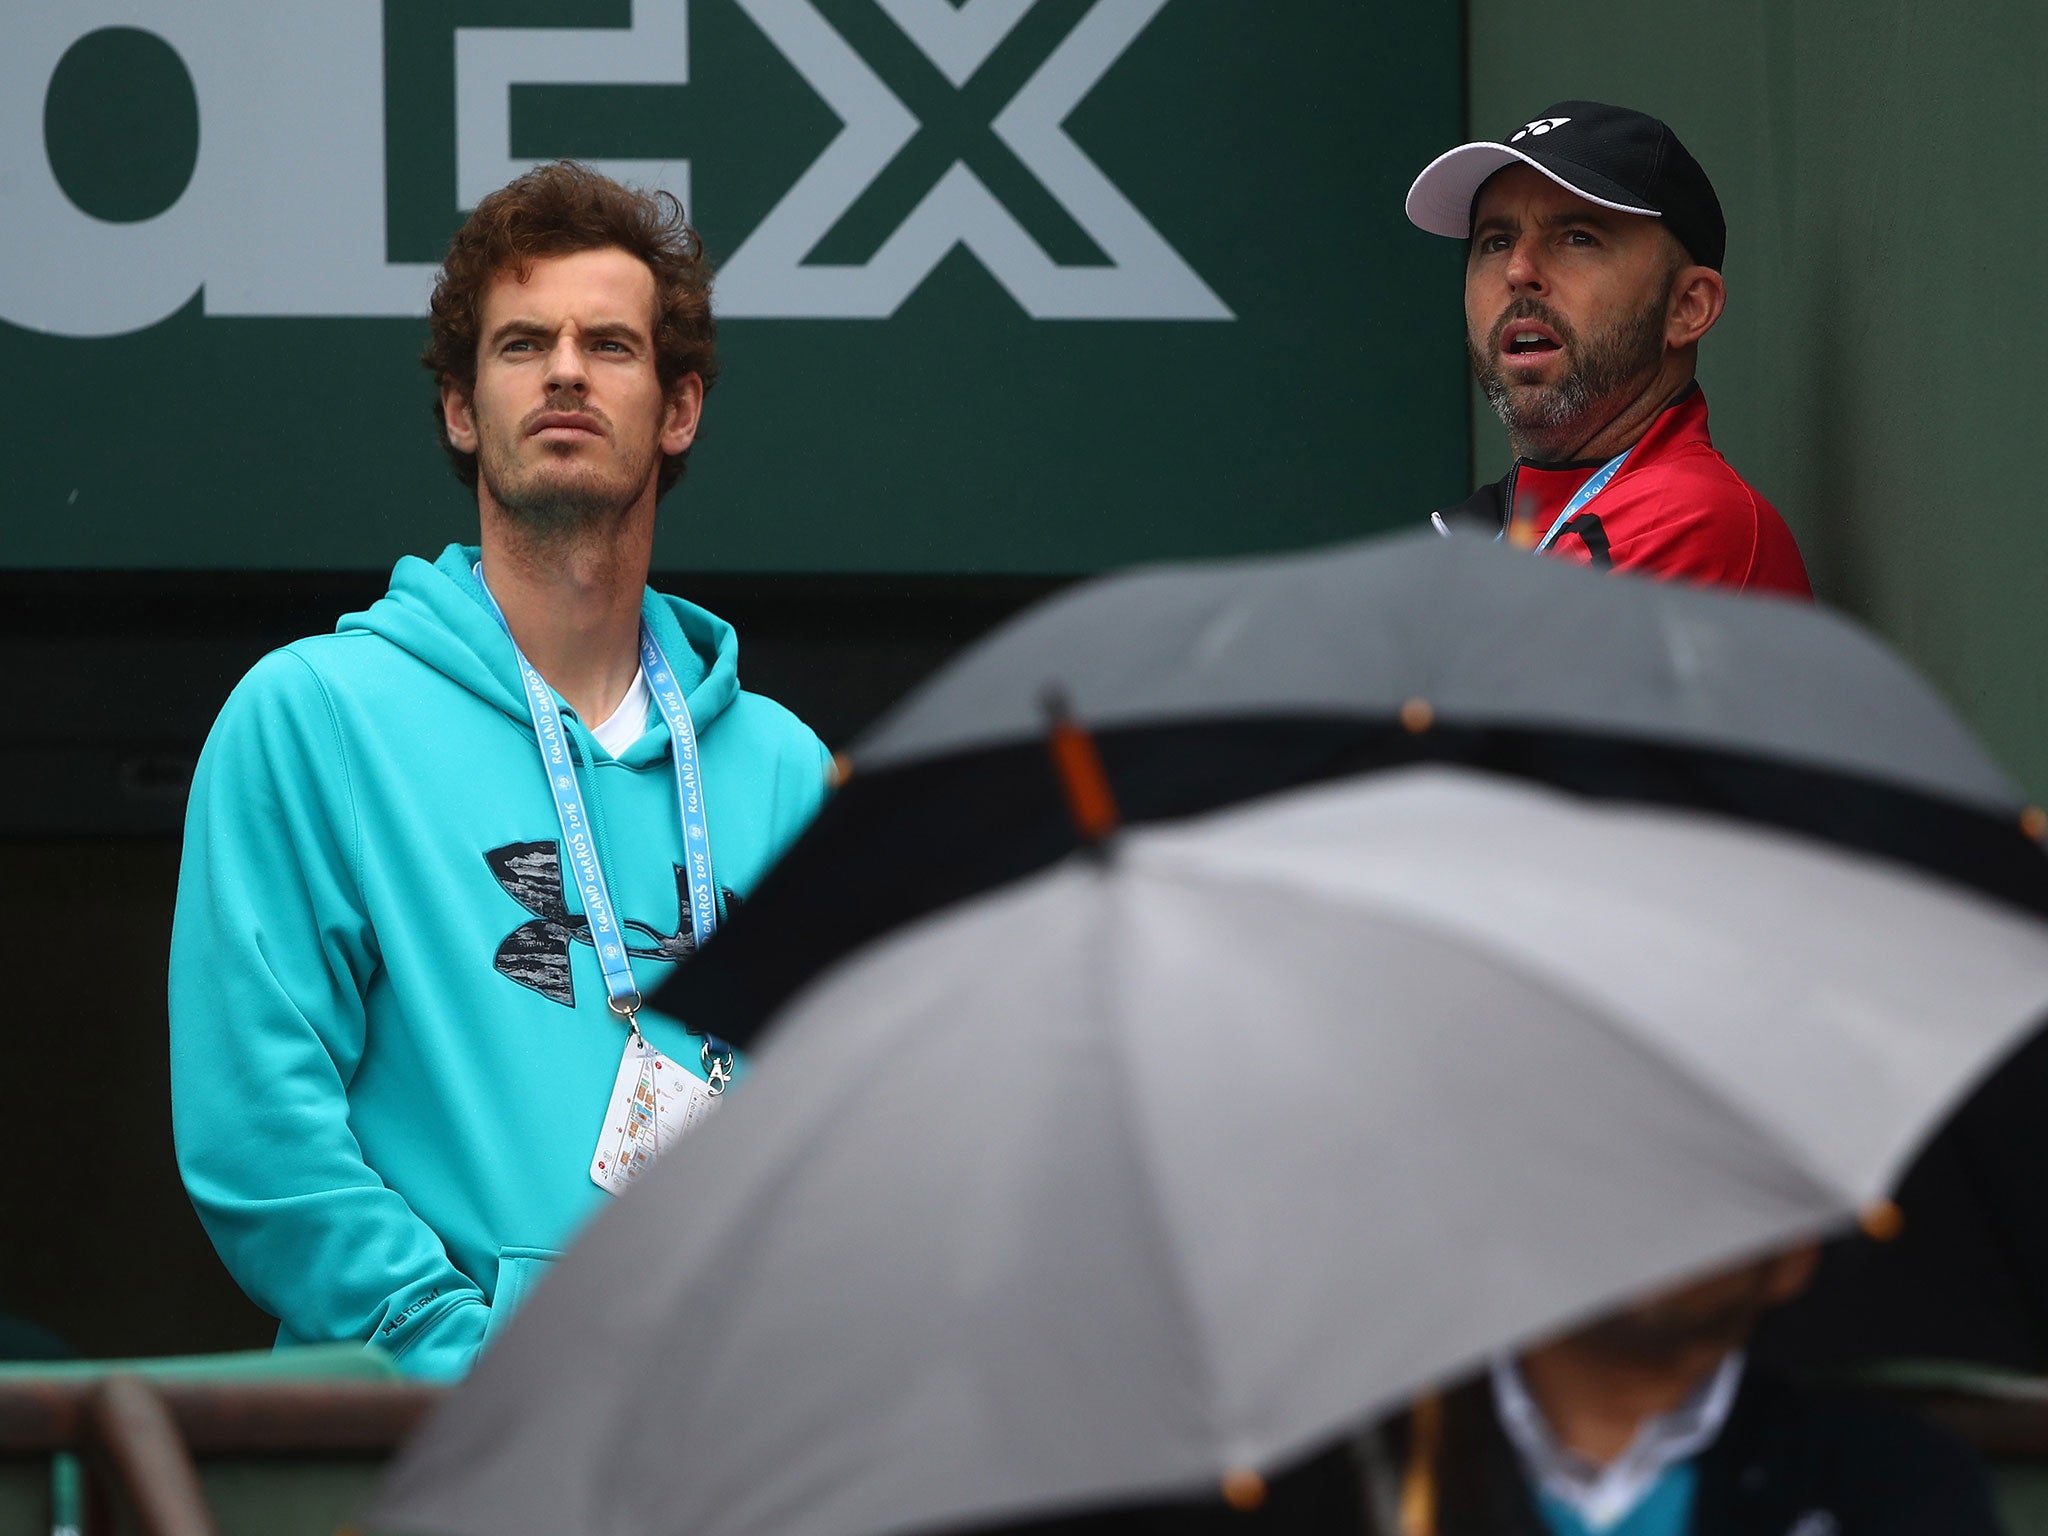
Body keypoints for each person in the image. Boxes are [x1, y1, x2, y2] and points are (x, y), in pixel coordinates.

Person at [169, 161, 834, 1381]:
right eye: (523, 342)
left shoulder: (784, 770)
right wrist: (468, 1378)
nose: (566, 369)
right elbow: (260, 1145)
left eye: (610, 344)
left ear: (678, 408)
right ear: (462, 411)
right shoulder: (317, 716)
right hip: (435, 1459)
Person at [1406, 101, 1810, 597]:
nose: (1518, 270)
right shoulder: (1492, 528)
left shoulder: (1689, 519)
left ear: (1687, 306)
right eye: (1496, 241)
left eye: (1578, 237)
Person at [1357, 1244, 2003, 1535]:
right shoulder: (1357, 1472)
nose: (1652, 1219)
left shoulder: (1892, 1477)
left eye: (1707, 1185)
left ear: (1794, 1257)